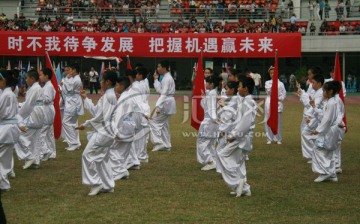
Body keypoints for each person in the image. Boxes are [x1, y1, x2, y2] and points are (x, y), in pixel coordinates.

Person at [76, 70, 118, 196]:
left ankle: (96, 183)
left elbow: (101, 117)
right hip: (106, 131)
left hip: (104, 132)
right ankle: (108, 185)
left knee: (87, 155)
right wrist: (86, 99)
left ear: (108, 82)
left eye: (102, 80)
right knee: (101, 159)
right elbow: (97, 112)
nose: (100, 82)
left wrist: (85, 124)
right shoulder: (107, 96)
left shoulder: (109, 96)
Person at [215, 77, 258, 197]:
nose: (237, 89)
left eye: (239, 86)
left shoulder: (249, 102)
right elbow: (237, 119)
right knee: (238, 161)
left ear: (245, 89)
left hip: (241, 137)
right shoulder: (244, 100)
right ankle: (245, 188)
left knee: (222, 154)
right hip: (240, 136)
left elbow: (245, 123)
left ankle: (238, 182)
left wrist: (233, 135)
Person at [311, 80, 342, 182]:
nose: (323, 92)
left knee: (317, 149)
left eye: (324, 90)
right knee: (329, 152)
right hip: (330, 129)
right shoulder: (330, 102)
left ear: (331, 91)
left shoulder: (332, 103)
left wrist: (318, 130)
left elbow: (327, 119)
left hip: (328, 131)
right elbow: (324, 115)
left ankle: (325, 172)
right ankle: (332, 174)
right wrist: (315, 107)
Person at [0, 69, 22, 192]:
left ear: (4, 81)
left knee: (3, 158)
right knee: (5, 158)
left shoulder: (6, 95)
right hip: (9, 129)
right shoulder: (9, 94)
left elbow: (1, 113)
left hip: (5, 129)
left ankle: (4, 183)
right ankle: (4, 183)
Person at [149, 60, 176, 151]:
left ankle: (159, 142)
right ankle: (166, 144)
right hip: (167, 102)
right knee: (164, 124)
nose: (157, 68)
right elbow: (160, 91)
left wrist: (158, 106)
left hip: (166, 102)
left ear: (164, 68)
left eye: (159, 66)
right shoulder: (165, 77)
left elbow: (163, 94)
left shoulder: (167, 78)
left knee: (153, 121)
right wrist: (156, 79)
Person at [297, 72, 324, 163]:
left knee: (307, 133)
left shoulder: (320, 93)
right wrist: (301, 92)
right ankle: (314, 155)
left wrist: (309, 116)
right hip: (314, 116)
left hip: (317, 118)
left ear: (319, 83)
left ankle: (314, 155)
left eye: (314, 83)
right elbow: (310, 103)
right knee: (309, 134)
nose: (312, 84)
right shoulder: (317, 92)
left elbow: (313, 105)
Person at [197, 76, 220, 171]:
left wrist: (214, 118)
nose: (205, 85)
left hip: (209, 121)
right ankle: (214, 161)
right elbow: (206, 107)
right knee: (210, 143)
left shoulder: (211, 93)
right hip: (213, 121)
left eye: (207, 83)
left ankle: (210, 161)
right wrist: (203, 97)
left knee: (202, 142)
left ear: (212, 84)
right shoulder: (212, 93)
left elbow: (211, 108)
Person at [62, 63, 83, 151]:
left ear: (75, 70)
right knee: (72, 123)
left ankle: (73, 142)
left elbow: (69, 89)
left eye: (71, 70)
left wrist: (66, 79)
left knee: (66, 122)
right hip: (72, 101)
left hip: (73, 102)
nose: (70, 72)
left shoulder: (76, 79)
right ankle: (75, 142)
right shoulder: (75, 79)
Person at [264, 66, 286, 144]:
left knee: (278, 121)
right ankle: (269, 138)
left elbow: (283, 94)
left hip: (278, 103)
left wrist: (279, 98)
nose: (273, 74)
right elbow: (269, 91)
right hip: (269, 102)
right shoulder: (267, 82)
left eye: (274, 73)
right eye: (271, 73)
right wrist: (276, 92)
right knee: (268, 120)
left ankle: (278, 138)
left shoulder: (281, 84)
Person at [38, 68, 56, 161]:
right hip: (48, 109)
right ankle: (52, 152)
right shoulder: (47, 86)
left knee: (42, 132)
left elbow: (47, 99)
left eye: (41, 75)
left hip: (47, 109)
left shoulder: (48, 86)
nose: (40, 77)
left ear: (46, 76)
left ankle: (45, 151)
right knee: (49, 133)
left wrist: (38, 97)